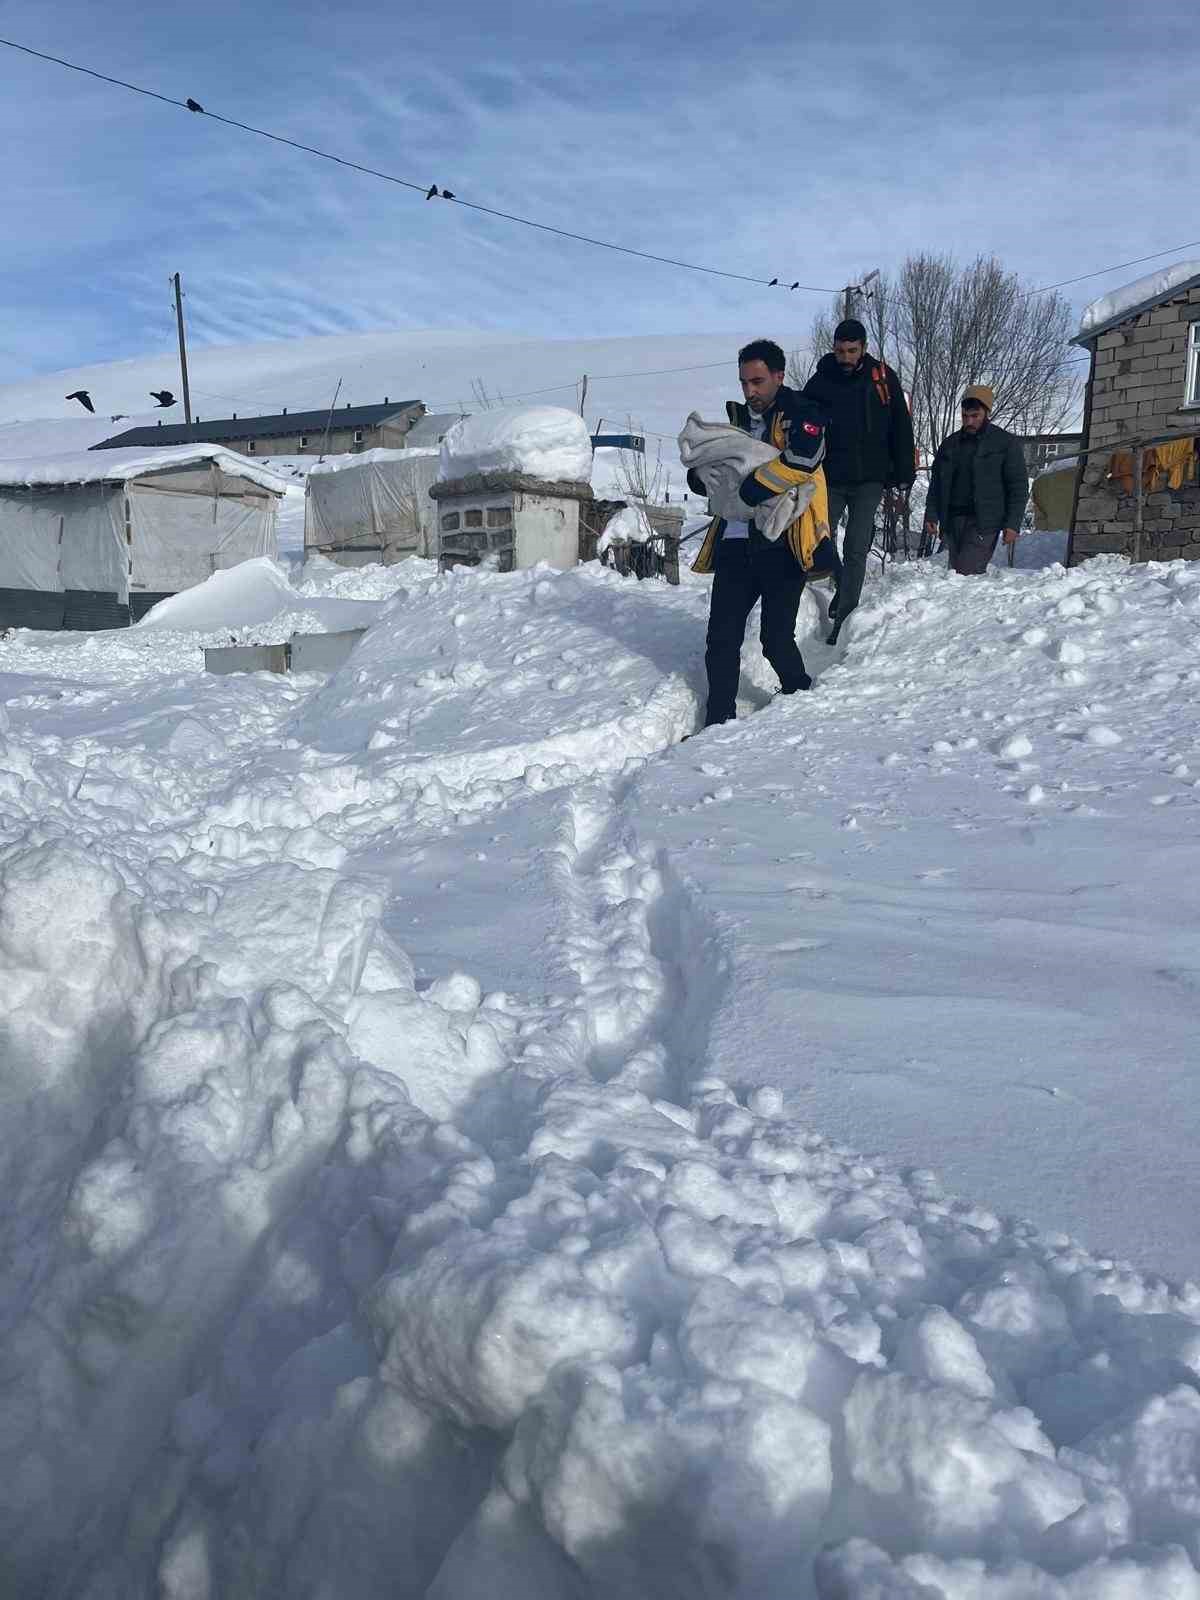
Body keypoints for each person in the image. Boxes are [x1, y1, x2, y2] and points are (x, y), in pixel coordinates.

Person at [687, 339, 838, 727]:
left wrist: (757, 485)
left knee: (775, 640)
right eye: (743, 382)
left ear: (779, 376)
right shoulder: (734, 420)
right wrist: (704, 477)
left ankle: (800, 696)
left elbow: (805, 457)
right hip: (735, 543)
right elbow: (714, 465)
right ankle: (718, 720)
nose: (749, 391)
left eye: (757, 381)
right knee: (720, 639)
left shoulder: (803, 410)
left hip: (783, 544)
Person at [802, 318, 915, 642]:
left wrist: (902, 473)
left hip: (870, 479)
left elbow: (900, 425)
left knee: (856, 547)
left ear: (863, 349)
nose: (846, 357)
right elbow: (801, 415)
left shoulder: (882, 378)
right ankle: (838, 581)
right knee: (819, 539)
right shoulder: (823, 379)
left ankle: (845, 616)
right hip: (831, 477)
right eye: (840, 351)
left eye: (852, 351)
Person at [924, 386, 1029, 573]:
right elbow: (937, 484)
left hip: (985, 521)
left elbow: (1018, 487)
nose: (969, 421)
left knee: (966, 572)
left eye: (975, 416)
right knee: (956, 575)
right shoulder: (949, 444)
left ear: (987, 412)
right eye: (965, 416)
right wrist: (931, 514)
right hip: (953, 519)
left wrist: (1012, 524)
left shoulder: (1004, 443)